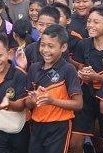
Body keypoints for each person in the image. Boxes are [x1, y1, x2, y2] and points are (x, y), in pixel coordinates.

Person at [25, 24, 82, 153]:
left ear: (63, 47)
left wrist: (52, 101)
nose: (45, 50)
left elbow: (78, 104)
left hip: (59, 126)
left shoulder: (68, 69)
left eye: (51, 46)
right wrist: (32, 101)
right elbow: (27, 103)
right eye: (42, 45)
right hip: (36, 124)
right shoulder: (34, 68)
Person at [72, 5, 103, 153]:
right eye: (89, 21)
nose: (90, 25)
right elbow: (78, 66)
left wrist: (96, 77)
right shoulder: (83, 44)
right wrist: (82, 73)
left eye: (96, 22)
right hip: (86, 95)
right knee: (75, 143)